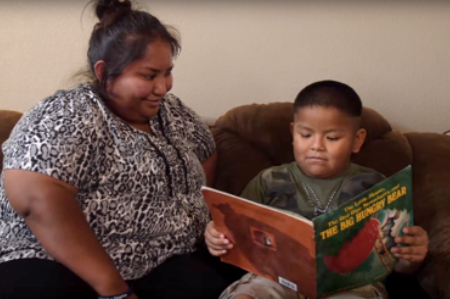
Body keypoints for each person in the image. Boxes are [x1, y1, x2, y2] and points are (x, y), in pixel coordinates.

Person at [0, 0, 243, 298]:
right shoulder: (67, 113)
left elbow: (206, 149)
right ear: (104, 73)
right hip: (65, 264)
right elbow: (32, 195)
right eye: (149, 75)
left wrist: (192, 205)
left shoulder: (171, 110)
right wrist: (114, 290)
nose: (164, 86)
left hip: (161, 259)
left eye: (167, 72)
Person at [205, 80, 429, 299]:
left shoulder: (376, 186)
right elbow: (236, 234)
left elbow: (397, 262)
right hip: (277, 276)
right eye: (305, 135)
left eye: (332, 137)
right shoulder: (269, 180)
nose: (317, 146)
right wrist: (217, 237)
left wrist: (412, 257)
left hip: (351, 285)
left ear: (356, 141)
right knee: (248, 294)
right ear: (293, 134)